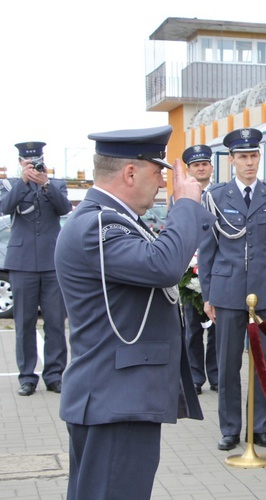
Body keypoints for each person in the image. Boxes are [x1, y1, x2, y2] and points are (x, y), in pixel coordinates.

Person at [55, 125, 212, 499]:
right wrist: (187, 204)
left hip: (118, 397)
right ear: (130, 172)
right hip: (115, 399)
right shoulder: (98, 224)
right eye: (158, 172)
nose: (162, 183)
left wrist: (190, 211)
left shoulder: (114, 220)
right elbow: (163, 265)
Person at [199, 128, 266, 451]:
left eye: (254, 156)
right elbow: (208, 249)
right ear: (232, 161)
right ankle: (230, 428)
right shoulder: (215, 197)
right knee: (228, 364)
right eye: (243, 157)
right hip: (227, 291)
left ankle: (260, 427)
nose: (249, 162)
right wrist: (207, 294)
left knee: (263, 364)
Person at [1, 141, 71, 397]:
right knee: (24, 323)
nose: (33, 166)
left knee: (54, 322)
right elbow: (5, 207)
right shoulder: (9, 184)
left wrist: (44, 183)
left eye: (36, 162)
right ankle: (27, 377)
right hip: (21, 264)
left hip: (52, 263)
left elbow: (64, 208)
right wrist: (23, 181)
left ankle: (54, 375)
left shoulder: (55, 184)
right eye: (28, 163)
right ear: (20, 162)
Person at [180, 144, 218, 395]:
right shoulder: (181, 197)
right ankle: (195, 375)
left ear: (211, 168)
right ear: (189, 169)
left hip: (216, 270)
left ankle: (216, 375)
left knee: (217, 327)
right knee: (193, 327)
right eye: (196, 165)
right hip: (190, 270)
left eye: (205, 163)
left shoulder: (222, 194)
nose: (201, 167)